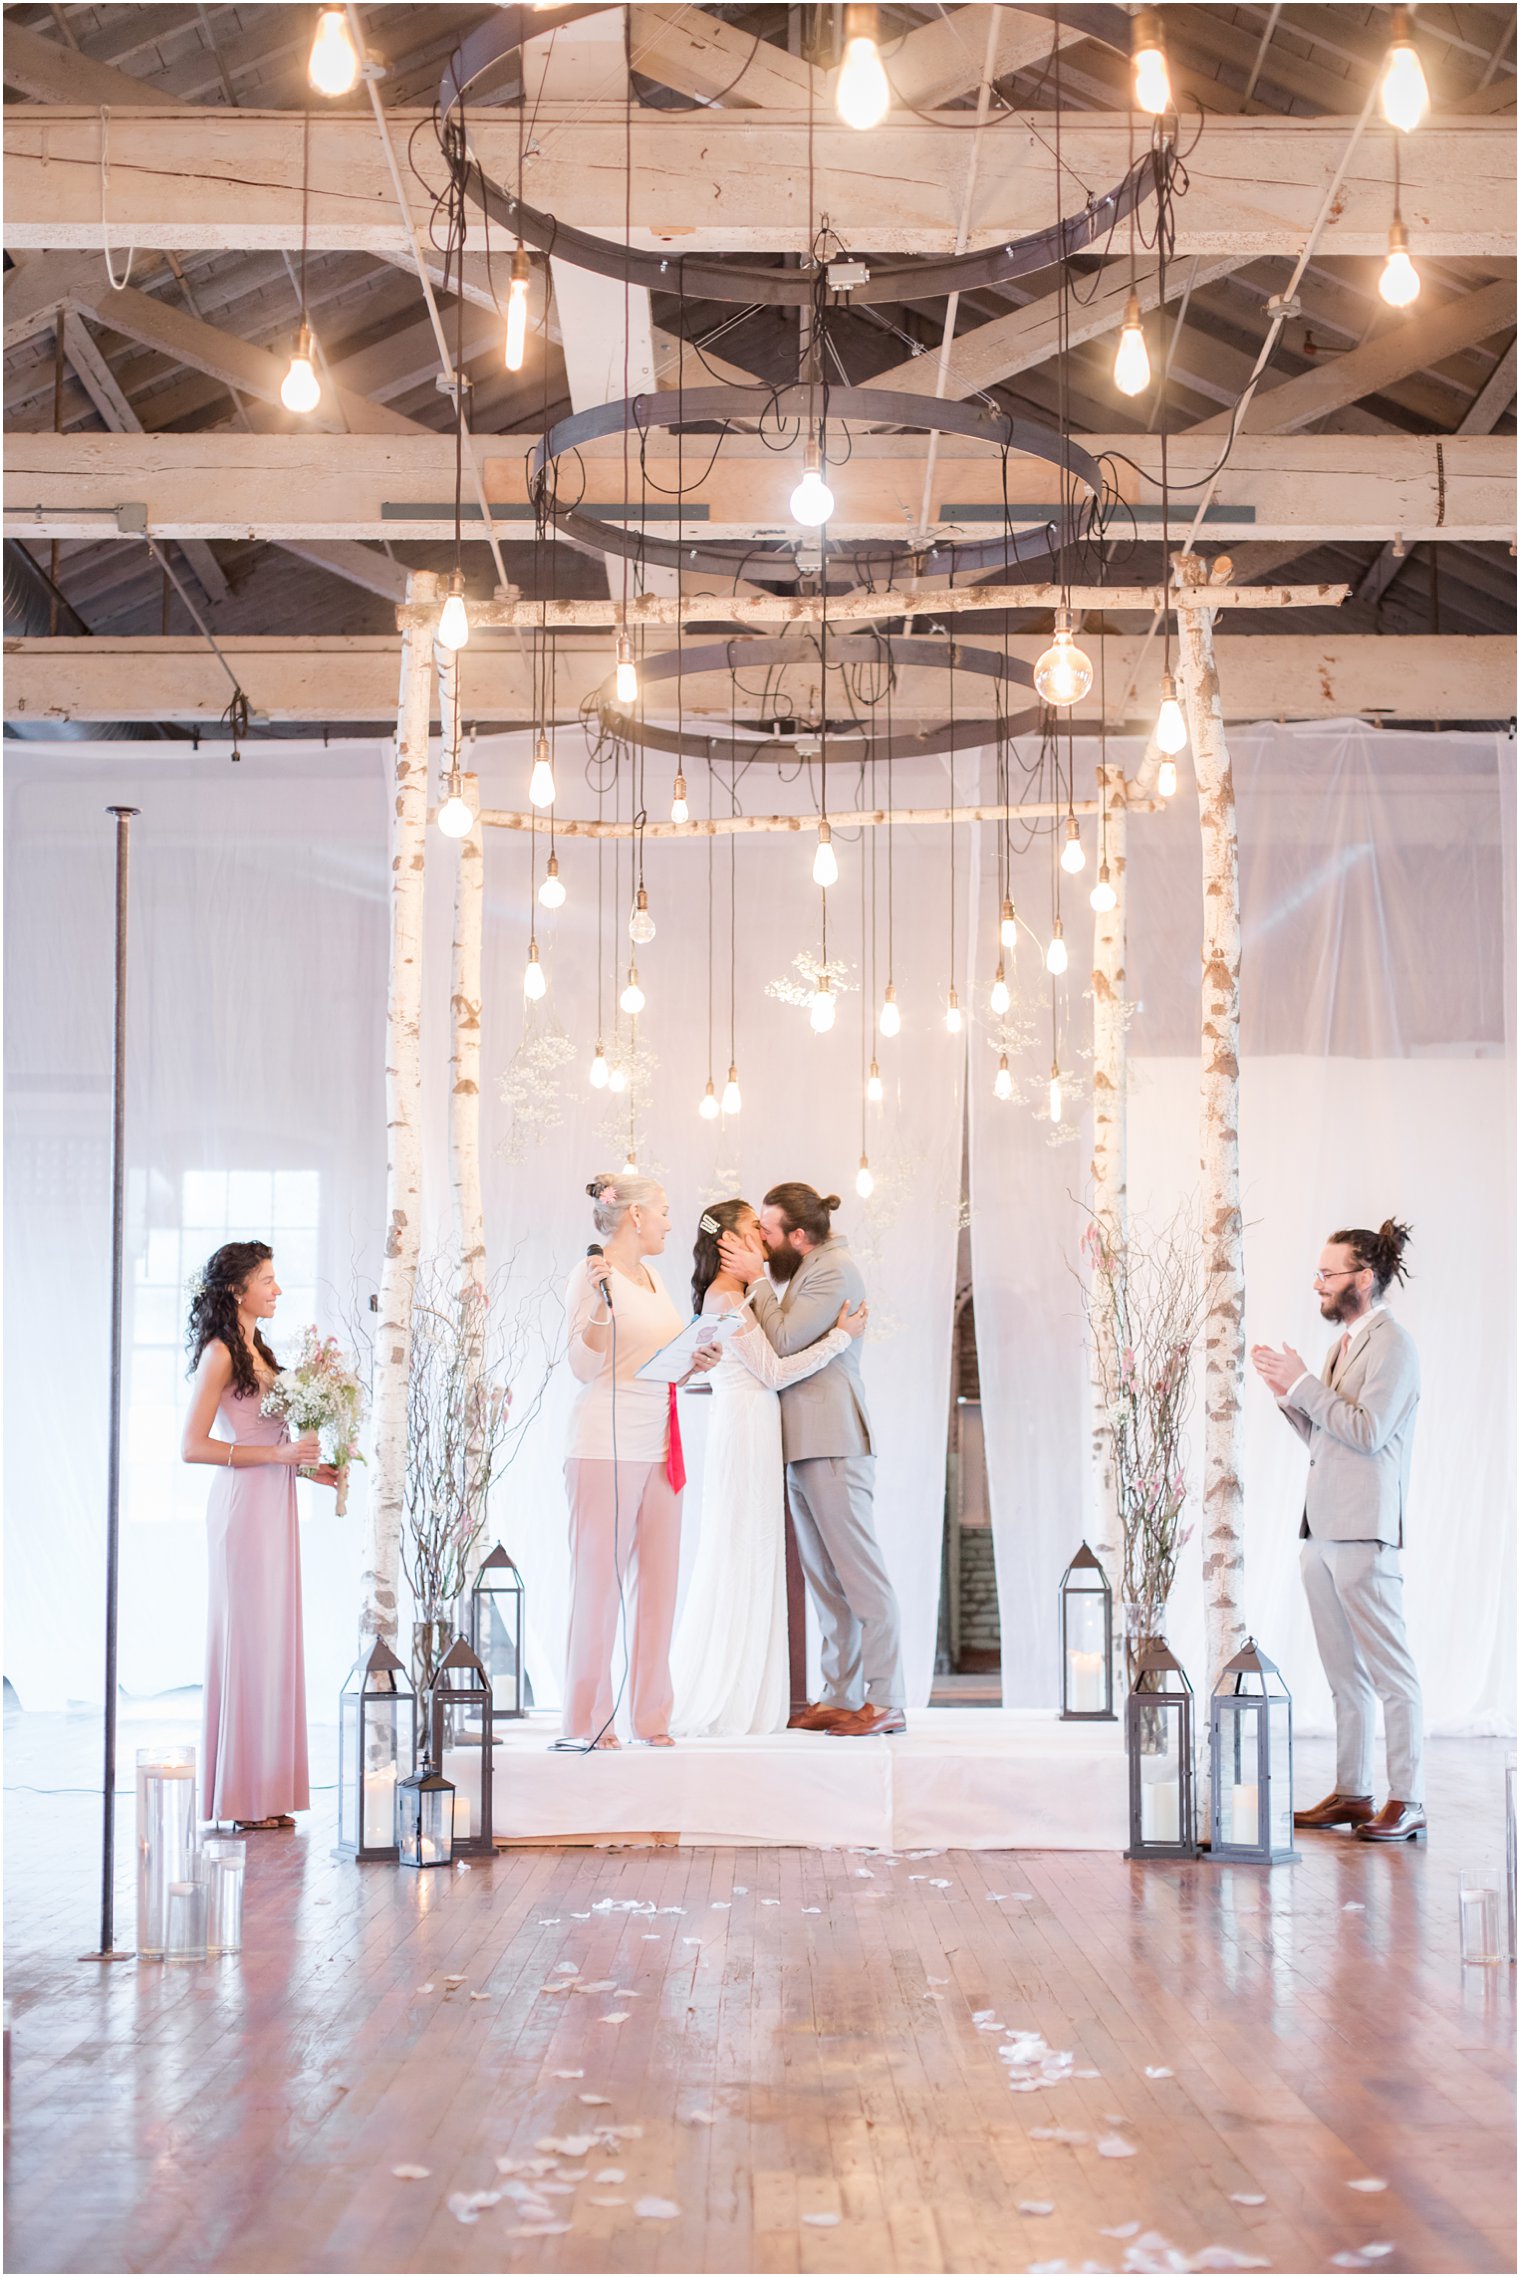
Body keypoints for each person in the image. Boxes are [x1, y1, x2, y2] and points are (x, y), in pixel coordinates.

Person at [1251, 1219, 1425, 1843]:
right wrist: (1290, 1397)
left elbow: (1369, 1433)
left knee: (1390, 1673)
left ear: (1365, 1277)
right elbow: (1328, 1439)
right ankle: (1353, 1792)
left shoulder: (1394, 1345)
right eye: (1318, 1275)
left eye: (1329, 1274)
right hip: (1320, 1530)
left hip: (1363, 1532)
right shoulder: (1342, 1346)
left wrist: (1304, 1386)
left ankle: (1409, 1799)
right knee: (1343, 1675)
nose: (1319, 1285)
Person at [670, 1199, 868, 1738]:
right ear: (728, 1244)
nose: (762, 1236)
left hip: (755, 1427)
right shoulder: (726, 1295)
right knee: (740, 1549)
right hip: (745, 1428)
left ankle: (752, 1692)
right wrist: (841, 1337)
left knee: (757, 1550)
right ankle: (729, 1695)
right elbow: (775, 1372)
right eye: (751, 1230)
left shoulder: (741, 1294)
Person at [720, 1183, 906, 1738]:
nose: (761, 1242)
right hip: (803, 1443)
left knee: (860, 1575)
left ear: (797, 1236)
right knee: (827, 1580)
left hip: (832, 1440)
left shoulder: (832, 1270)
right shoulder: (805, 1270)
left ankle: (887, 1699)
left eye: (769, 1232)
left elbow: (781, 1341)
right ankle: (841, 1694)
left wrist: (754, 1277)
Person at [181, 1240, 336, 1833]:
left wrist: (310, 1467)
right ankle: (240, 1797)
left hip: (275, 1504)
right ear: (235, 1289)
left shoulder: (257, 1348)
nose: (277, 1289)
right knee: (247, 1643)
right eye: (267, 1280)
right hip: (243, 1510)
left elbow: (274, 1447)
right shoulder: (221, 1352)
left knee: (272, 1642)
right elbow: (193, 1446)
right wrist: (278, 1453)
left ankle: (267, 1792)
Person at [561, 1174, 718, 1748]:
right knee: (598, 1589)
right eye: (666, 1212)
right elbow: (583, 1365)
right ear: (635, 1217)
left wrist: (695, 1359)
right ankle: (590, 1720)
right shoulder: (591, 1273)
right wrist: (600, 1309)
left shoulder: (653, 1278)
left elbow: (653, 1360)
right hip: (605, 1445)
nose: (671, 1224)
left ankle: (651, 1717)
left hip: (659, 1448)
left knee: (657, 1585)